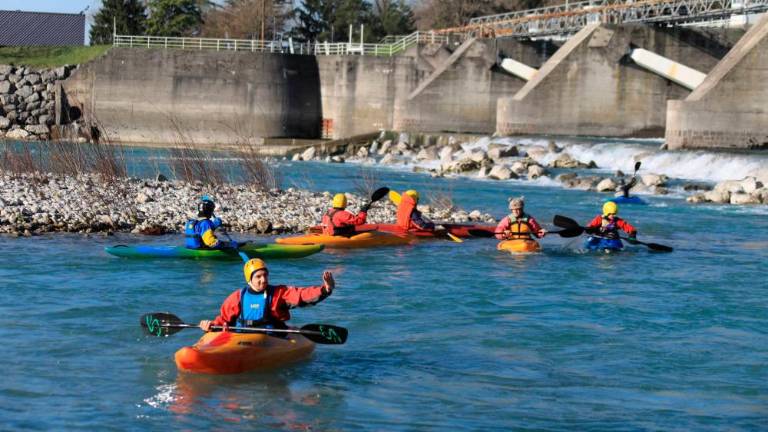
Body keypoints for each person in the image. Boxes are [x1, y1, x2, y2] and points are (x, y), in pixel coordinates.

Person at [199, 258, 335, 332]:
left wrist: (325, 289)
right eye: (258, 276)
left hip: (271, 340)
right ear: (249, 280)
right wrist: (211, 325)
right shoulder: (237, 297)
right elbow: (223, 320)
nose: (263, 280)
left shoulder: (278, 293)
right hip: (241, 340)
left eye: (265, 275)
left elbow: (302, 295)